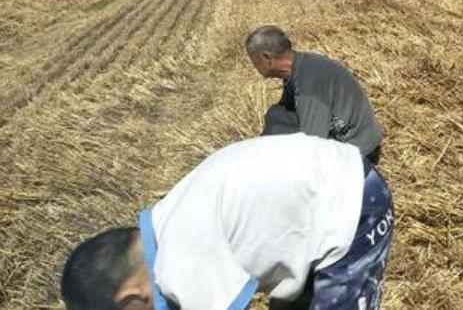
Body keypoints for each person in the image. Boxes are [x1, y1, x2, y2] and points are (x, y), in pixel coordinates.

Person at [61, 133, 394, 310]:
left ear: (132, 297)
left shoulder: (181, 267)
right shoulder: (170, 222)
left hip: (352, 203)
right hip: (326, 179)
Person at [246, 25, 384, 164]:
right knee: (276, 116)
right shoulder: (299, 66)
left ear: (266, 57)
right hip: (339, 136)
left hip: (357, 149)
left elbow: (313, 142)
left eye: (253, 60)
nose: (253, 65)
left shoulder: (310, 81)